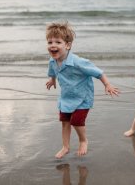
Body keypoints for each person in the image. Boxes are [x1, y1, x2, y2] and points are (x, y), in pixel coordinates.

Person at [46, 22, 119, 159]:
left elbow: (98, 72)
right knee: (65, 121)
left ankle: (83, 141)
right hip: (66, 97)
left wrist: (107, 85)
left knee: (77, 121)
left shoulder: (78, 62)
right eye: (50, 42)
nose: (53, 45)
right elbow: (53, 71)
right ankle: (65, 147)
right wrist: (52, 80)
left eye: (58, 42)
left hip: (82, 97)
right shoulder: (52, 61)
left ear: (67, 45)